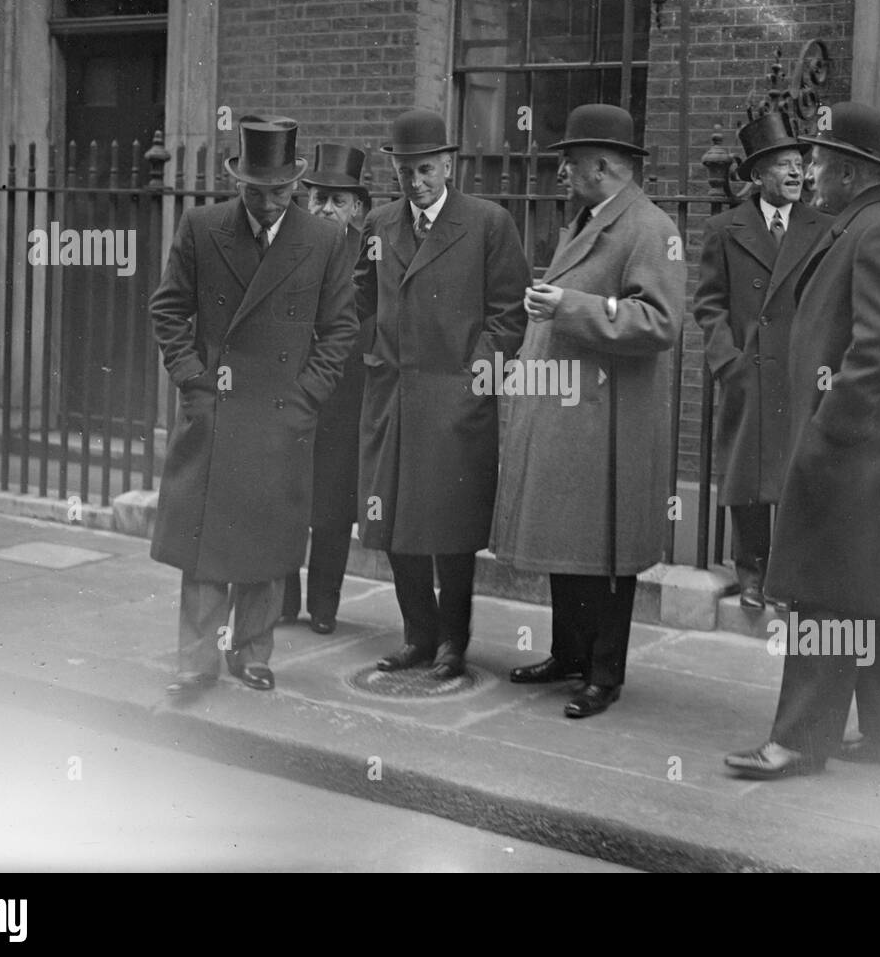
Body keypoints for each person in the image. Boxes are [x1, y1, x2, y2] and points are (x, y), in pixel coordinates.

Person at [725, 102, 880, 779]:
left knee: (825, 597)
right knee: (871, 597)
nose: (811, 170)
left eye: (820, 159)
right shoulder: (870, 221)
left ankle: (798, 739)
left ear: (851, 170)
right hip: (873, 460)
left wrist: (830, 431)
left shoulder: (877, 229)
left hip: (858, 457)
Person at [150, 115, 357, 695]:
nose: (268, 204)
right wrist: (193, 381)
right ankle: (196, 661)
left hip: (281, 413)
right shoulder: (203, 226)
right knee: (205, 544)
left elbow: (339, 329)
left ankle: (253, 652)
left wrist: (307, 395)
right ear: (239, 182)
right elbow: (168, 309)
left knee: (269, 540)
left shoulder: (323, 241)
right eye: (257, 192)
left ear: (296, 186)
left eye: (280, 193)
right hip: (217, 407)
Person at [493, 104, 685, 718]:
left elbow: (659, 322)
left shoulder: (650, 227)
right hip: (574, 414)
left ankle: (604, 672)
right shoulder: (592, 218)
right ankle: (569, 654)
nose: (563, 173)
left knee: (606, 554)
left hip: (609, 423)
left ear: (603, 166)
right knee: (569, 542)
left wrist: (568, 306)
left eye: (571, 163)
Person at [355, 109, 530, 680]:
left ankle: (454, 642)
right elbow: (358, 300)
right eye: (406, 171)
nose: (416, 182)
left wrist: (474, 378)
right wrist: (372, 356)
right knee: (395, 524)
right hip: (393, 396)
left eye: (426, 170)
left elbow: (508, 315)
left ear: (448, 165)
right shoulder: (380, 224)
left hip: (455, 400)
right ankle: (418, 637)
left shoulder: (487, 223)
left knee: (452, 530)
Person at [693, 113, 831, 608]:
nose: (796, 174)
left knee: (799, 475)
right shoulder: (725, 229)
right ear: (756, 176)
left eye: (800, 164)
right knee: (747, 474)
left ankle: (788, 577)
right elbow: (708, 305)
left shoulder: (824, 228)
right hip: (747, 371)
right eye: (782, 165)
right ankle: (750, 572)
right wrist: (726, 361)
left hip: (800, 372)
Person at [280, 143, 372, 634]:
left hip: (345, 392)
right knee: (287, 495)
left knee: (333, 508)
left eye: (338, 201)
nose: (325, 209)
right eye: (317, 198)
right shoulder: (289, 246)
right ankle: (284, 600)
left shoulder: (368, 252)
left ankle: (323, 607)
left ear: (357, 207)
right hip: (292, 387)